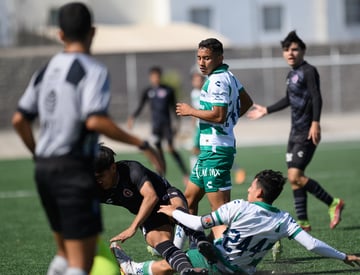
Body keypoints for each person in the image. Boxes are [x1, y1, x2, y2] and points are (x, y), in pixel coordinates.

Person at [11, 3, 163, 275]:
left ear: (60, 35)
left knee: (64, 254)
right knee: (81, 262)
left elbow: (19, 120)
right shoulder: (93, 69)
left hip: (45, 169)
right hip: (73, 170)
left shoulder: (45, 71)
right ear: (93, 32)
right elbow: (95, 120)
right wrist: (140, 143)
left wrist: (37, 153)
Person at [111, 169, 360, 275]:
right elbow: (312, 245)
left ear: (258, 192)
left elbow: (200, 223)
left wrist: (173, 213)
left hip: (220, 263)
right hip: (244, 271)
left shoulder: (239, 207)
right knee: (220, 230)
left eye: (251, 187)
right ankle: (207, 247)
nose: (247, 190)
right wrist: (343, 256)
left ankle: (132, 268)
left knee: (167, 266)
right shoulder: (283, 219)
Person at [247, 30, 344, 232]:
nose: (290, 53)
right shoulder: (291, 75)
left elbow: (317, 97)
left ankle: (333, 203)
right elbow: (289, 99)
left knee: (294, 176)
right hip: (294, 133)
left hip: (307, 132)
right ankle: (303, 222)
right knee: (294, 179)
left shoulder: (309, 71)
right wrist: (266, 110)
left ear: (302, 51)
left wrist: (316, 122)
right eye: (286, 49)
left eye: (294, 49)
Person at [176, 38, 253, 239]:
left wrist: (191, 111)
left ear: (220, 58)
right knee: (188, 200)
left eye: (207, 58)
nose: (202, 62)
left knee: (219, 213)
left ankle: (237, 249)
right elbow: (247, 102)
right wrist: (231, 120)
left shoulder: (217, 80)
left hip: (216, 151)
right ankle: (193, 247)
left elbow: (218, 115)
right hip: (209, 151)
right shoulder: (229, 76)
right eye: (199, 58)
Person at [95, 145, 209, 275]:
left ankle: (202, 243)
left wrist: (132, 228)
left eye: (101, 176)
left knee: (179, 212)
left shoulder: (131, 169)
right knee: (158, 241)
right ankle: (187, 270)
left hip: (166, 197)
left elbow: (151, 196)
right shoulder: (94, 187)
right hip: (150, 215)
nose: (98, 181)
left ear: (113, 168)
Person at [127, 66, 188, 181]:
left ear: (160, 77)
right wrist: (132, 117)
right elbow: (141, 106)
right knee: (159, 151)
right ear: (150, 78)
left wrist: (177, 123)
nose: (156, 79)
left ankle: (185, 174)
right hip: (155, 126)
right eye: (153, 77)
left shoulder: (168, 90)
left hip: (167, 125)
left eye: (157, 76)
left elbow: (174, 107)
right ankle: (162, 176)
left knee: (170, 148)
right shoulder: (148, 91)